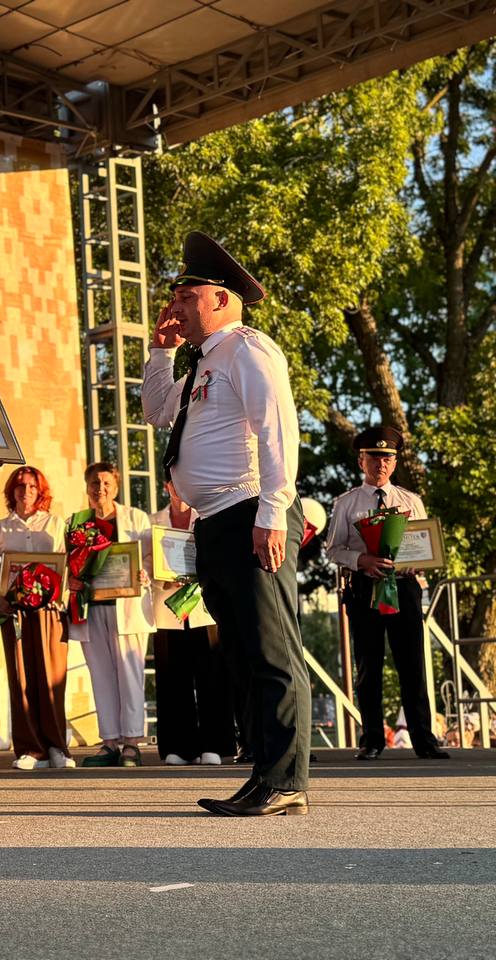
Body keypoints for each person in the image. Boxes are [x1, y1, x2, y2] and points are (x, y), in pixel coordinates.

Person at [141, 231, 310, 817]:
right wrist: (160, 353)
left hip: (251, 512)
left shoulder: (247, 349)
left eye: (186, 297)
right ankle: (264, 773)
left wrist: (273, 512)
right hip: (215, 523)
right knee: (240, 656)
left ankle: (286, 779)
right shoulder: (202, 364)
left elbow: (277, 430)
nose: (176, 307)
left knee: (272, 652)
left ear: (220, 299)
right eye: (177, 298)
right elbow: (157, 412)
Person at [323, 425, 449, 761]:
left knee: (412, 665)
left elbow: (423, 545)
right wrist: (361, 559)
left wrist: (416, 564)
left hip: (404, 588)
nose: (381, 464)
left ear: (394, 463)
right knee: (368, 666)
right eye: (375, 457)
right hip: (364, 588)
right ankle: (372, 740)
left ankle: (424, 739)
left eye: (388, 458)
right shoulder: (346, 503)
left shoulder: (411, 501)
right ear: (361, 460)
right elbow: (333, 549)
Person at [0, 466, 73, 771]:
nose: (26, 491)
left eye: (32, 486)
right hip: (14, 612)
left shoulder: (55, 523)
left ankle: (57, 747)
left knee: (51, 680)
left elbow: (65, 565)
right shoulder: (0, 529)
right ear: (12, 491)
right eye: (20, 486)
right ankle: (31, 750)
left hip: (50, 612)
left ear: (40, 491)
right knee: (21, 679)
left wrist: (58, 595)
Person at [65, 462, 155, 767]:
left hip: (128, 608)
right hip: (91, 608)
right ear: (87, 486)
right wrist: (71, 579)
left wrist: (144, 573)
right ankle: (109, 743)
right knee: (100, 675)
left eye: (106, 483)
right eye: (94, 482)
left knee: (130, 675)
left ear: (116, 487)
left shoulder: (136, 518)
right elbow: (66, 562)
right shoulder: (76, 522)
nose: (100, 488)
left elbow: (150, 557)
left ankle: (131, 743)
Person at [150, 480, 237, 766]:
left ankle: (215, 745)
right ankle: (178, 747)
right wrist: (160, 578)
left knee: (212, 677)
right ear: (167, 487)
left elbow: (220, 557)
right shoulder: (153, 522)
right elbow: (146, 565)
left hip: (203, 608)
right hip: (168, 611)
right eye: (175, 485)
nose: (180, 490)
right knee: (172, 679)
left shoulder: (208, 516)